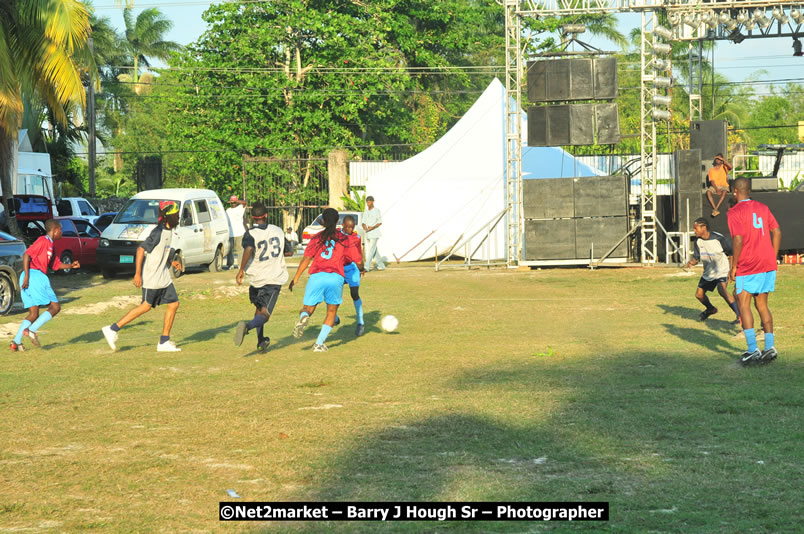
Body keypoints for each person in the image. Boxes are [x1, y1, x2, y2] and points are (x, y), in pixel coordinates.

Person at [101, 201, 184, 352]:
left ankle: (164, 342)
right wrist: (137, 274)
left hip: (163, 276)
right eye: (176, 215)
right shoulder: (158, 232)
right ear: (168, 216)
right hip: (152, 276)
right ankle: (112, 329)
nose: (178, 218)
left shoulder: (169, 230)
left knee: (174, 304)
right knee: (146, 306)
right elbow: (140, 250)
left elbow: (161, 251)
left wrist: (171, 262)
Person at [289, 208, 361, 352]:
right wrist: (362, 268)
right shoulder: (345, 239)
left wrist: (296, 278)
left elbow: (306, 258)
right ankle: (319, 344)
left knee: (308, 308)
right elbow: (357, 261)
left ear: (323, 221)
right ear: (338, 221)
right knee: (331, 312)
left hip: (316, 276)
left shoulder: (317, 238)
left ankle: (304, 317)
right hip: (335, 277)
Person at [727, 178, 782, 365]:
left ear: (735, 191)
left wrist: (734, 266)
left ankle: (752, 350)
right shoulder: (763, 207)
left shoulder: (734, 211)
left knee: (743, 304)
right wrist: (772, 256)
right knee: (762, 305)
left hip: (748, 263)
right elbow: (777, 232)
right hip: (767, 262)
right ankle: (770, 347)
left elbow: (738, 239)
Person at [10, 220, 80, 352]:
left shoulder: (51, 245)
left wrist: (70, 265)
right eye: (60, 230)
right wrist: (27, 276)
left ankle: (16, 342)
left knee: (33, 313)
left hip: (30, 276)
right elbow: (27, 254)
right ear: (54, 230)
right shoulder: (43, 240)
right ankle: (31, 330)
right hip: (34, 276)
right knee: (55, 307)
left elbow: (55, 265)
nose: (62, 232)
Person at [233, 203, 293, 352]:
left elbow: (249, 248)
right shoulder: (277, 230)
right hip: (273, 279)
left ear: (253, 217)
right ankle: (247, 327)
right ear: (266, 215)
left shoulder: (250, 234)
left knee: (259, 309)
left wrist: (241, 270)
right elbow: (289, 251)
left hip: (256, 278)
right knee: (265, 314)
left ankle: (261, 341)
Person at [686, 218, 740, 324]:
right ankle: (711, 309)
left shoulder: (718, 238)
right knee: (699, 295)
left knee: (722, 290)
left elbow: (731, 253)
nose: (694, 231)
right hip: (709, 272)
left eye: (696, 228)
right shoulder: (698, 241)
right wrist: (692, 262)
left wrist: (731, 269)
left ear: (704, 227)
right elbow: (696, 258)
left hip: (722, 270)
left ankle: (739, 316)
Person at [338, 215, 366, 336]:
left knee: (354, 293)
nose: (350, 229)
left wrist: (361, 268)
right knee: (334, 294)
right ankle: (334, 317)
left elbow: (359, 253)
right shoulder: (336, 234)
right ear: (343, 225)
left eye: (352, 227)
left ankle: (360, 323)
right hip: (339, 267)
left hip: (352, 268)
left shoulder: (356, 237)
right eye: (348, 227)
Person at [361, 195, 385, 271]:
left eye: (369, 202)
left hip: (375, 234)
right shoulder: (366, 212)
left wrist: (372, 227)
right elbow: (363, 222)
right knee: (374, 251)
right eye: (367, 202)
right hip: (368, 234)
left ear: (373, 202)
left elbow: (379, 222)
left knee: (371, 250)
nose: (368, 204)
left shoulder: (377, 211)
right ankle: (381, 265)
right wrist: (364, 226)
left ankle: (366, 267)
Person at [706, 153, 732, 217]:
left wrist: (723, 159)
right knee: (708, 192)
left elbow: (731, 167)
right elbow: (712, 181)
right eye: (717, 159)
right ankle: (715, 208)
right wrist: (717, 189)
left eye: (719, 159)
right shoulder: (711, 170)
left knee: (724, 192)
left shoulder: (724, 167)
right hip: (715, 186)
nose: (718, 160)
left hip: (724, 186)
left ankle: (716, 208)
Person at [226, 195, 248, 269]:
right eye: (232, 202)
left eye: (234, 202)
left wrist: (236, 201)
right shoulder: (228, 210)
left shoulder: (240, 208)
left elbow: (245, 203)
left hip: (240, 232)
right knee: (230, 249)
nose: (233, 204)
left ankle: (240, 265)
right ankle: (230, 264)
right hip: (231, 233)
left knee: (240, 249)